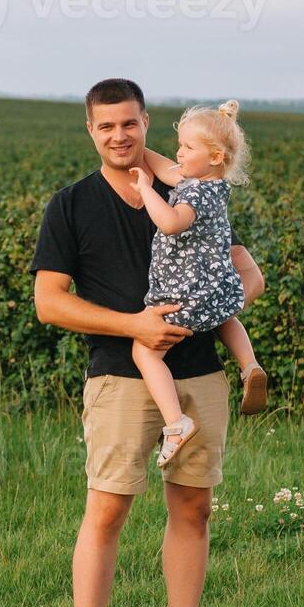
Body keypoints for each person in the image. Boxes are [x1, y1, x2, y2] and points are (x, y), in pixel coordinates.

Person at [30, 78, 265, 607]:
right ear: (91, 131)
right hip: (119, 374)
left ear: (144, 124)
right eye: (105, 127)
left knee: (194, 509)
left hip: (198, 370)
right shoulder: (71, 206)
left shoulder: (186, 186)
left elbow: (243, 268)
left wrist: (222, 302)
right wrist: (135, 325)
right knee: (107, 511)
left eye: (129, 124)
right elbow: (49, 303)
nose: (119, 136)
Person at [129, 100, 268, 474]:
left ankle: (176, 423)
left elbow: (172, 223)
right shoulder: (214, 186)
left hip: (185, 292)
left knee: (144, 352)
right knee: (224, 317)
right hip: (216, 287)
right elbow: (169, 169)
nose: (179, 153)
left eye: (188, 147)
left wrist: (146, 189)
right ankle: (249, 365)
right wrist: (139, 151)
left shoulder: (192, 195)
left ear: (215, 156)